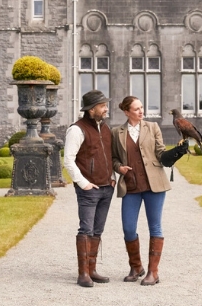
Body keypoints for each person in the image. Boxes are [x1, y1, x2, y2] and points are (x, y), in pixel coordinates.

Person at [110, 97, 189, 285]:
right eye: (136, 109)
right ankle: (136, 267)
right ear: (127, 112)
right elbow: (113, 158)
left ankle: (153, 272)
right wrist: (119, 168)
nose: (141, 111)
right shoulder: (116, 132)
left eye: (142, 107)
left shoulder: (153, 127)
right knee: (128, 228)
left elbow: (161, 154)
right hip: (131, 185)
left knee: (155, 226)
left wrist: (176, 152)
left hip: (154, 185)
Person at [63, 89, 116, 288]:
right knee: (86, 229)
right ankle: (83, 273)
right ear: (91, 109)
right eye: (102, 106)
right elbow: (68, 160)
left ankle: (92, 270)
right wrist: (83, 183)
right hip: (89, 189)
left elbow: (109, 156)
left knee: (98, 230)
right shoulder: (76, 130)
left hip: (106, 187)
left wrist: (112, 177)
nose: (106, 109)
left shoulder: (106, 128)